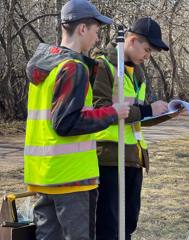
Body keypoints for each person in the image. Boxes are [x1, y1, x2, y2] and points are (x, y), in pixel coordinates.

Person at [24, 0, 129, 239]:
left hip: (44, 176)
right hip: (72, 179)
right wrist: (114, 112)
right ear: (82, 29)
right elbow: (66, 123)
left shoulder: (45, 67)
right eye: (96, 31)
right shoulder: (73, 67)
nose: (97, 38)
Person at [92, 17, 170, 240]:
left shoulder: (138, 72)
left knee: (128, 224)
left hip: (133, 157)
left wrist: (165, 113)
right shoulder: (104, 65)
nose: (148, 56)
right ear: (132, 40)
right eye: (146, 50)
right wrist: (147, 110)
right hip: (109, 158)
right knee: (109, 226)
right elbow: (101, 111)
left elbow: (137, 115)